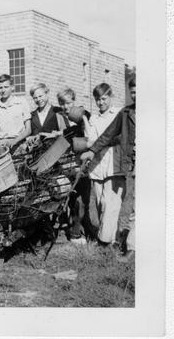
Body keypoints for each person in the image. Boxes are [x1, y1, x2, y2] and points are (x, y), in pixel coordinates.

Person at [81, 77, 136, 262]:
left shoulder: (120, 113)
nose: (101, 102)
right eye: (98, 99)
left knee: (110, 204)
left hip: (115, 163)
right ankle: (110, 239)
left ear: (110, 97)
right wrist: (95, 145)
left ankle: (104, 242)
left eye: (104, 98)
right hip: (97, 165)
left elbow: (121, 137)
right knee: (99, 204)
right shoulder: (93, 118)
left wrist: (101, 142)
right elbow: (91, 139)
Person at [56, 87, 96, 243]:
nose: (66, 106)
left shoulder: (82, 116)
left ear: (74, 101)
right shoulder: (62, 117)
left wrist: (83, 117)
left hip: (83, 162)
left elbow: (90, 136)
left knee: (84, 198)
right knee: (73, 198)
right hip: (69, 162)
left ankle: (85, 226)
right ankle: (75, 232)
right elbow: (63, 135)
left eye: (68, 103)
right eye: (62, 103)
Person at [0, 74, 31, 152]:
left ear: (12, 87)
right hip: (0, 146)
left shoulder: (22, 102)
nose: (3, 90)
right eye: (0, 88)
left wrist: (14, 142)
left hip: (18, 145)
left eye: (6, 87)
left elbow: (28, 130)